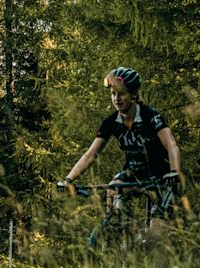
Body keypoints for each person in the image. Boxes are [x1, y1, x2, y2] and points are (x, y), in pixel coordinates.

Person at [60, 66, 181, 227]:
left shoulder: (150, 116)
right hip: (133, 173)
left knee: (156, 236)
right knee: (113, 188)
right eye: (113, 94)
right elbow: (90, 154)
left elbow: (171, 145)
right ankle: (123, 238)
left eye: (121, 93)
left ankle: (154, 242)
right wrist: (69, 179)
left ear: (133, 95)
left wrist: (174, 172)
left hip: (159, 176)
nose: (116, 98)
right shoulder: (111, 122)